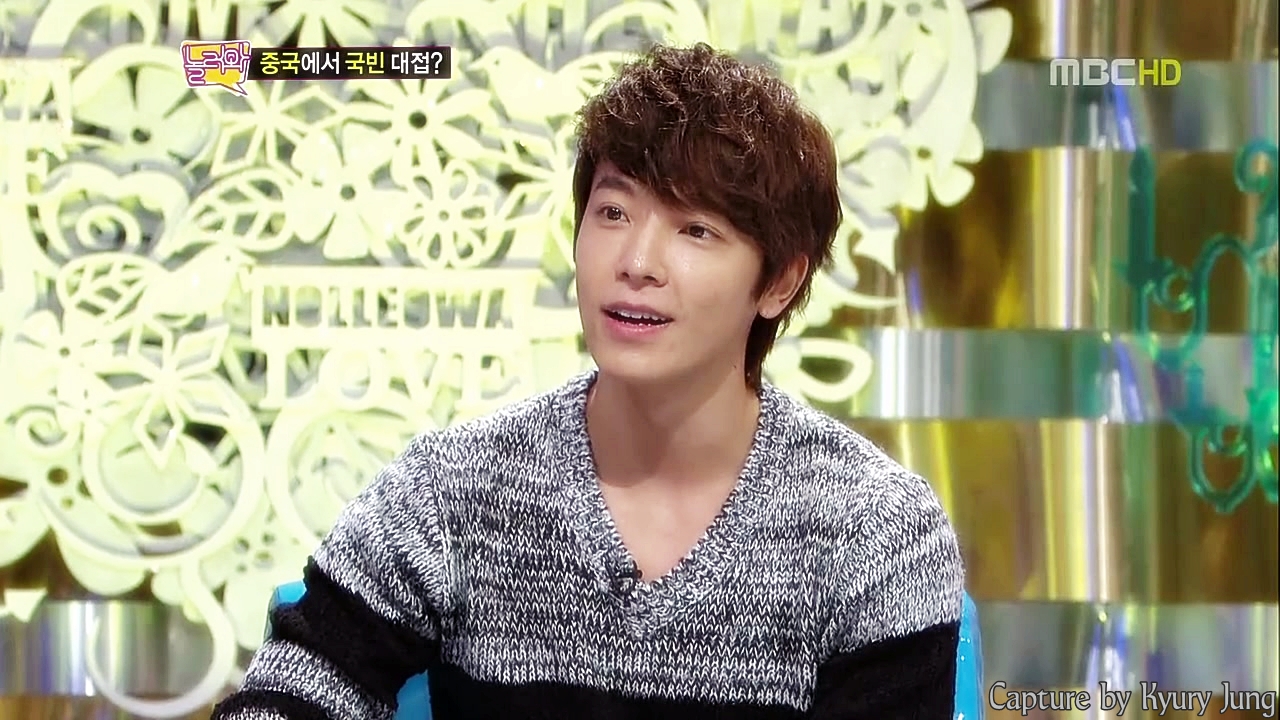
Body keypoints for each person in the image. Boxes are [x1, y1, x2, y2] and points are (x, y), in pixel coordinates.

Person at [212, 42, 964, 720]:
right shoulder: (453, 489)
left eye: (695, 230)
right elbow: (293, 690)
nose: (635, 262)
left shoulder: (877, 532)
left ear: (779, 282)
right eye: (612, 211)